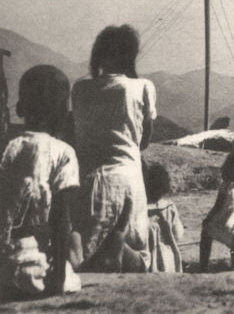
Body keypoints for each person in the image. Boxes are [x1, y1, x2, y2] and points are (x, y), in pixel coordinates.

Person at [71, 24, 155, 271]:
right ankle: (116, 248)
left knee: (84, 255)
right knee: (138, 253)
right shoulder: (142, 87)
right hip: (128, 177)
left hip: (87, 180)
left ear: (98, 54)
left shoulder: (80, 88)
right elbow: (145, 141)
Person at [0, 66, 82, 297]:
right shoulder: (63, 152)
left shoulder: (10, 147)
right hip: (33, 268)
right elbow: (60, 219)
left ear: (20, 107)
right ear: (65, 112)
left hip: (3, 268)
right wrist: (57, 279)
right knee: (71, 271)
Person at [143, 162, 184, 272]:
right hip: (167, 257)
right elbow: (178, 235)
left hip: (146, 259)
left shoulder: (140, 209)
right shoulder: (169, 207)